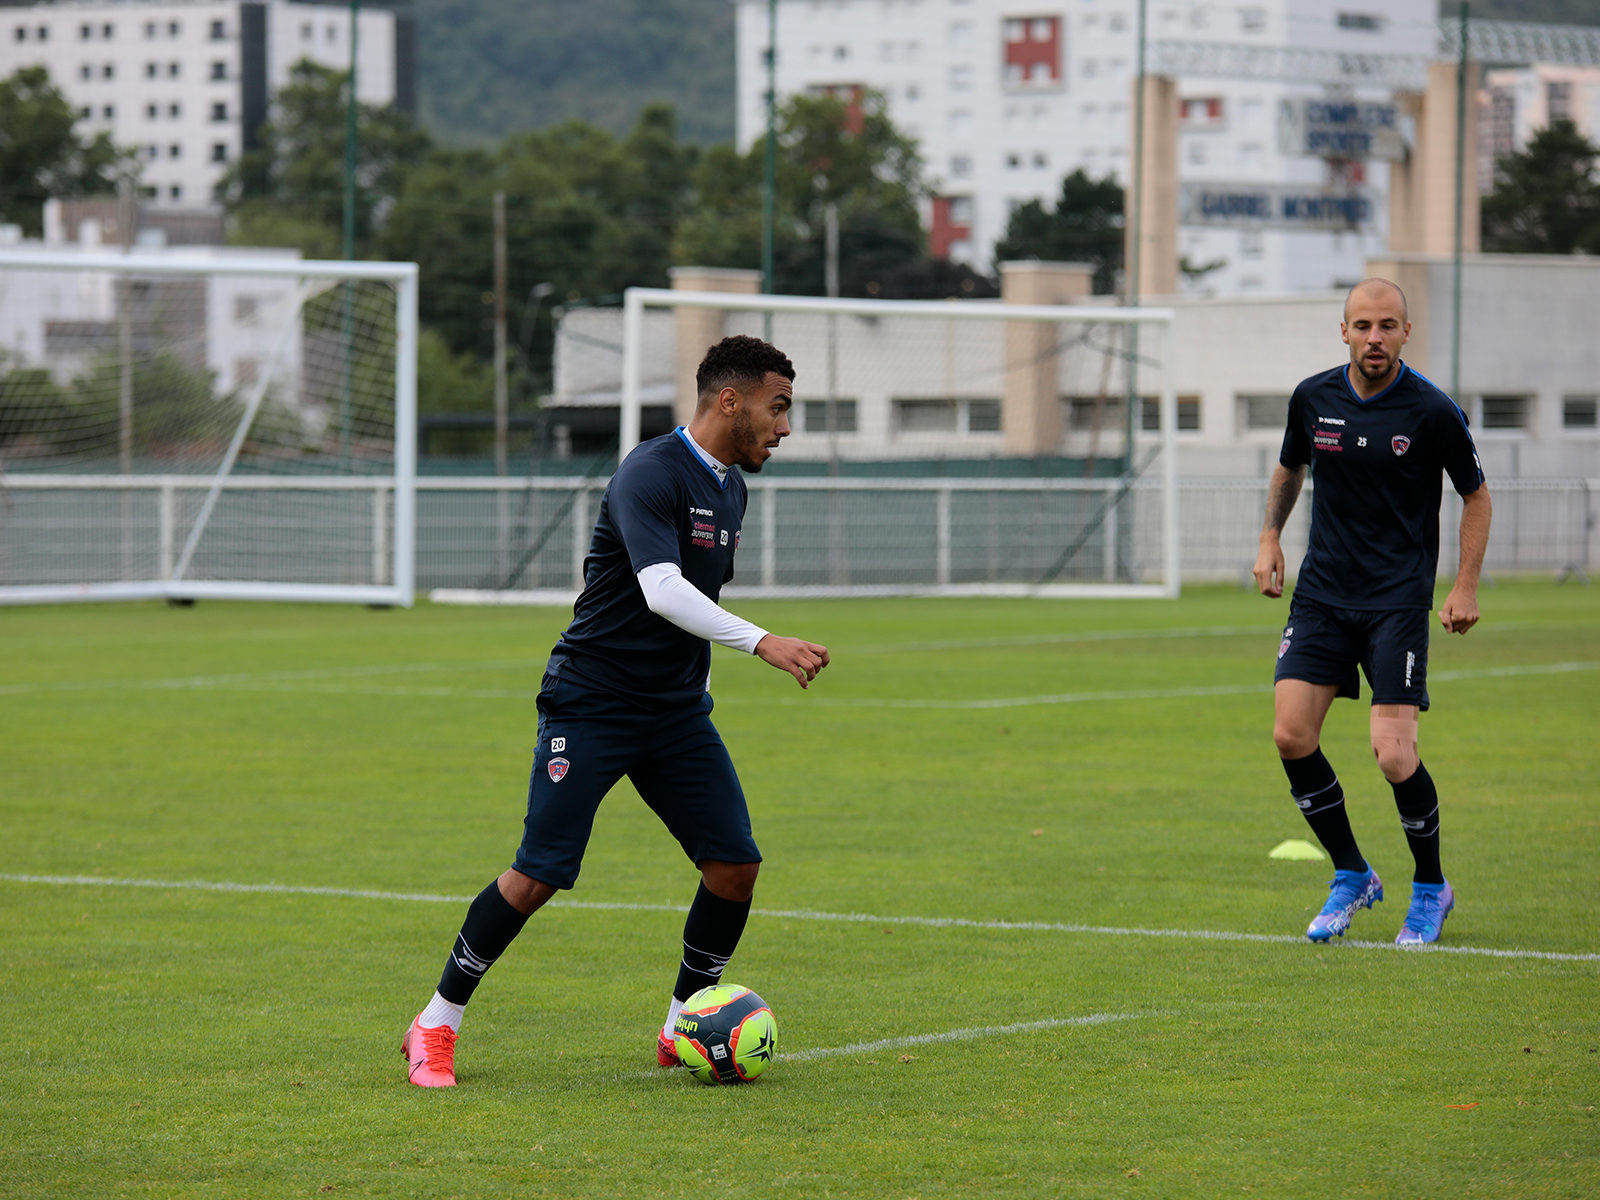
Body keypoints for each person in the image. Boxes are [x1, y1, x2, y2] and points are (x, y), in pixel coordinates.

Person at [404, 335, 830, 1086]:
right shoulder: (649, 470)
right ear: (729, 401)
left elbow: (698, 606)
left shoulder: (731, 488)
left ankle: (683, 1026)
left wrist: (696, 690)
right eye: (778, 407)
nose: (785, 427)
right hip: (591, 702)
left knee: (735, 867)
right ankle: (436, 1024)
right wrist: (762, 642)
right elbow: (661, 589)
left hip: (673, 716)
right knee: (538, 875)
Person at [1253, 278, 1491, 946]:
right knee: (1290, 735)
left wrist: (1464, 585)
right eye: (1363, 325)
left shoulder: (1432, 411)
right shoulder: (1313, 397)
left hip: (1395, 603)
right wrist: (1270, 538)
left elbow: (1476, 497)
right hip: (1322, 597)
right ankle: (1352, 873)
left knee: (1392, 756)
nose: (1375, 338)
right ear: (1345, 331)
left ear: (1405, 333)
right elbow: (1289, 467)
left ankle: (1429, 887)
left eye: (1388, 325)